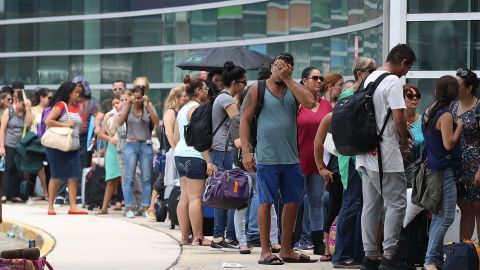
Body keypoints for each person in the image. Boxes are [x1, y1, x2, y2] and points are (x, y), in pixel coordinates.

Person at [240, 53, 316, 265]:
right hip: (267, 157)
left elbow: (310, 103)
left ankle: (286, 249)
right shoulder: (258, 89)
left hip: (291, 157)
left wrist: (289, 79)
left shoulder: (294, 88)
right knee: (266, 202)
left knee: (292, 202)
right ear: (271, 66)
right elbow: (244, 120)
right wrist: (246, 151)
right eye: (277, 65)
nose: (280, 69)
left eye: (285, 67)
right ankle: (265, 251)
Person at [356, 44, 416, 270]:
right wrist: (403, 142)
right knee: (397, 203)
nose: (405, 74)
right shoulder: (391, 81)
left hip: (364, 154)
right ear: (403, 62)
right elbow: (399, 119)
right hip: (385, 155)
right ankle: (390, 257)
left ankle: (370, 256)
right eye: (407, 69)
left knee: (371, 206)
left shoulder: (369, 78)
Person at [329, 56, 376, 267]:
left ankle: (356, 254)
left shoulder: (362, 94)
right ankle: (342, 254)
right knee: (351, 204)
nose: (374, 74)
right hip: (351, 159)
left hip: (361, 157)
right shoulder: (350, 96)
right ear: (360, 73)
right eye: (370, 70)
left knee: (362, 206)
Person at [422, 75, 462, 270]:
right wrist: (459, 128)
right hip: (444, 170)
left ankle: (434, 258)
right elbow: (449, 143)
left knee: (438, 217)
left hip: (432, 168)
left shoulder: (429, 111)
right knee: (446, 217)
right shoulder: (445, 115)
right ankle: (430, 259)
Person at [208, 61, 247, 252]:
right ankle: (225, 237)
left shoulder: (222, 98)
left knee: (224, 193)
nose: (245, 85)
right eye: (243, 82)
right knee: (230, 194)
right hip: (226, 152)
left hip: (220, 151)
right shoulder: (227, 100)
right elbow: (238, 123)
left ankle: (221, 236)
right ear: (234, 83)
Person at [174, 76, 214, 246]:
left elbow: (176, 136)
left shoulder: (183, 109)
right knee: (196, 198)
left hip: (180, 153)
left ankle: (185, 236)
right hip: (194, 154)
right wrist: (209, 161)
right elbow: (200, 137)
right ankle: (198, 237)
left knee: (184, 196)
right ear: (198, 90)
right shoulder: (197, 109)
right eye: (205, 89)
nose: (207, 91)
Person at [296, 66, 332, 255]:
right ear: (304, 81)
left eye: (321, 78)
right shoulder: (296, 104)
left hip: (320, 162)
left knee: (316, 202)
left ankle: (317, 242)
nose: (319, 81)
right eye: (315, 78)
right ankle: (291, 240)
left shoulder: (327, 105)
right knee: (293, 202)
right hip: (297, 160)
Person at [44, 82, 87, 215]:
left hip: (73, 146)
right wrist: (65, 125)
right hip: (58, 146)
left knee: (73, 176)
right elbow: (48, 121)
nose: (77, 94)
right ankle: (51, 206)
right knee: (56, 175)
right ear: (68, 93)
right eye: (75, 92)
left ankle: (73, 206)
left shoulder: (74, 107)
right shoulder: (60, 105)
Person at [117, 86, 160, 218]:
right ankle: (129, 207)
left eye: (139, 97)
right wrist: (128, 104)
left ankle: (146, 207)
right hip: (131, 145)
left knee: (146, 178)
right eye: (134, 97)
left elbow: (156, 121)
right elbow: (119, 121)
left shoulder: (147, 106)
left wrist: (148, 105)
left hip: (145, 144)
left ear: (143, 96)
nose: (137, 100)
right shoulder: (128, 107)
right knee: (129, 177)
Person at [146, 85, 187, 217]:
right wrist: (175, 149)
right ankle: (151, 207)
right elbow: (169, 133)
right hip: (170, 151)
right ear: (176, 97)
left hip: (177, 150)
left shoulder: (181, 111)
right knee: (163, 180)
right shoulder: (171, 112)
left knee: (170, 180)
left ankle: (169, 211)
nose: (186, 98)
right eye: (183, 95)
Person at [451, 68, 480, 241]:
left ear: (468, 88)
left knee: (478, 209)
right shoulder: (453, 105)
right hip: (457, 165)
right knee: (465, 209)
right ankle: (465, 253)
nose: (453, 88)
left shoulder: (478, 107)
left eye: (457, 85)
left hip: (475, 163)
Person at [0, 92, 32, 203]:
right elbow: (2, 130)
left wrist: (28, 109)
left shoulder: (25, 112)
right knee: (8, 168)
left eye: (24, 105)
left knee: (19, 169)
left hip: (21, 146)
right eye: (21, 104)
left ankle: (14, 194)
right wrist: (1, 147)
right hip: (9, 144)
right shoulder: (8, 111)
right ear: (16, 102)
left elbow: (28, 125)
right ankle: (4, 194)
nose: (22, 107)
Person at [96, 95, 124, 215]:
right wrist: (109, 138)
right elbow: (103, 134)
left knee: (126, 179)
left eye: (118, 102)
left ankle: (130, 206)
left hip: (125, 147)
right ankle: (104, 207)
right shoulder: (109, 117)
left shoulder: (127, 115)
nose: (115, 105)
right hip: (112, 149)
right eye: (113, 104)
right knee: (111, 179)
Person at [30, 88, 53, 200]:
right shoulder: (33, 110)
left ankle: (48, 192)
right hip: (35, 141)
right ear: (41, 97)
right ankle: (42, 192)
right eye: (49, 97)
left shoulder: (51, 110)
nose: (50, 99)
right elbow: (29, 124)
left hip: (48, 140)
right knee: (37, 167)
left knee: (48, 167)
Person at [403, 84, 425, 155]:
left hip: (420, 164)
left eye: (417, 96)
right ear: (401, 99)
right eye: (410, 96)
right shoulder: (394, 122)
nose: (415, 98)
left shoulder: (424, 120)